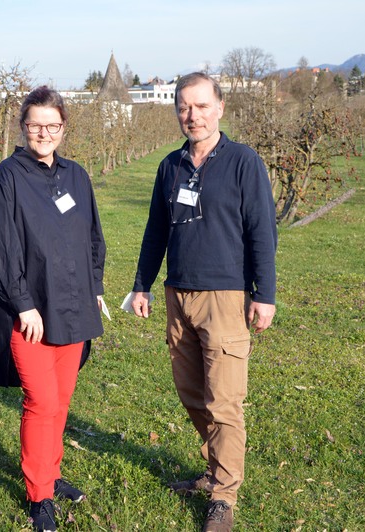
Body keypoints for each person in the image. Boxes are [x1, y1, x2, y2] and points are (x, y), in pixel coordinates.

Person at [129, 72, 277, 532]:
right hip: (178, 294)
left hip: (225, 296)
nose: (192, 116)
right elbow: (156, 230)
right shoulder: (170, 166)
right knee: (192, 392)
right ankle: (215, 468)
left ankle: (223, 496)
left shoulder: (243, 162)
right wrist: (142, 284)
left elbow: (262, 230)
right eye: (184, 107)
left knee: (224, 400)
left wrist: (264, 294)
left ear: (220, 108)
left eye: (201, 106)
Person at [0, 86, 106, 531]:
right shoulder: (7, 179)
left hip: (73, 307)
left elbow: (93, 237)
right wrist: (23, 304)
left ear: (64, 127)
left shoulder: (76, 176)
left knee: (62, 401)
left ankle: (50, 473)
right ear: (23, 127)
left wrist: (95, 285)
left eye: (53, 125)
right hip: (30, 315)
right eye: (35, 125)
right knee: (42, 401)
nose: (44, 133)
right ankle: (38, 496)